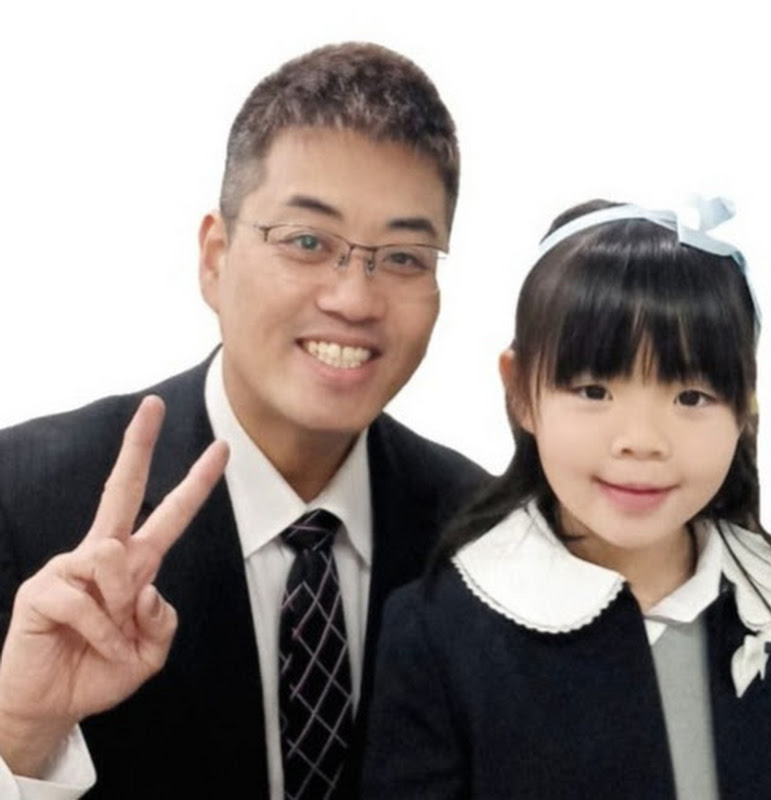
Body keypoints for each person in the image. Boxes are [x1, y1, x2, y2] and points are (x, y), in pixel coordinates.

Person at [0, 42, 488, 799]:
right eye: (307, 242)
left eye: (403, 257)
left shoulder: (484, 537)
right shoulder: (23, 502)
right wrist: (20, 736)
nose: (354, 299)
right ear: (215, 258)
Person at [362, 198, 771, 799]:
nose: (641, 441)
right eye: (595, 391)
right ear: (520, 391)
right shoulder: (438, 631)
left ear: (745, 402)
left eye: (691, 397)